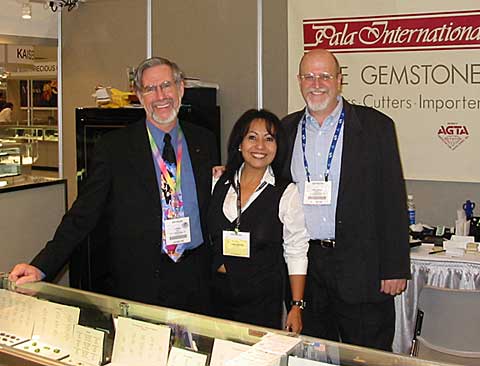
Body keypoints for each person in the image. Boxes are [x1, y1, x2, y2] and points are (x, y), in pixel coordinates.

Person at [9, 57, 218, 315]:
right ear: (139, 97)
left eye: (166, 85)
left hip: (195, 277)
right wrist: (42, 266)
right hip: (140, 281)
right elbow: (82, 214)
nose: (160, 95)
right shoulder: (114, 148)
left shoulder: (204, 142)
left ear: (181, 88)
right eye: (150, 89)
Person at [281, 49, 410, 351]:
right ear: (299, 81)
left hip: (361, 266)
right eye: (309, 77)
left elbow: (392, 198)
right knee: (311, 354)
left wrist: (395, 267)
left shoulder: (376, 127)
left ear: (339, 80)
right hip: (307, 267)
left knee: (368, 356)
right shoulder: (285, 130)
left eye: (325, 76)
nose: (317, 84)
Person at [208, 109, 309, 333]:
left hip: (261, 302)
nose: (260, 146)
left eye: (269, 139)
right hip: (214, 296)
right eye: (252, 137)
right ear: (239, 143)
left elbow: (296, 250)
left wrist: (296, 306)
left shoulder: (286, 192)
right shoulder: (218, 181)